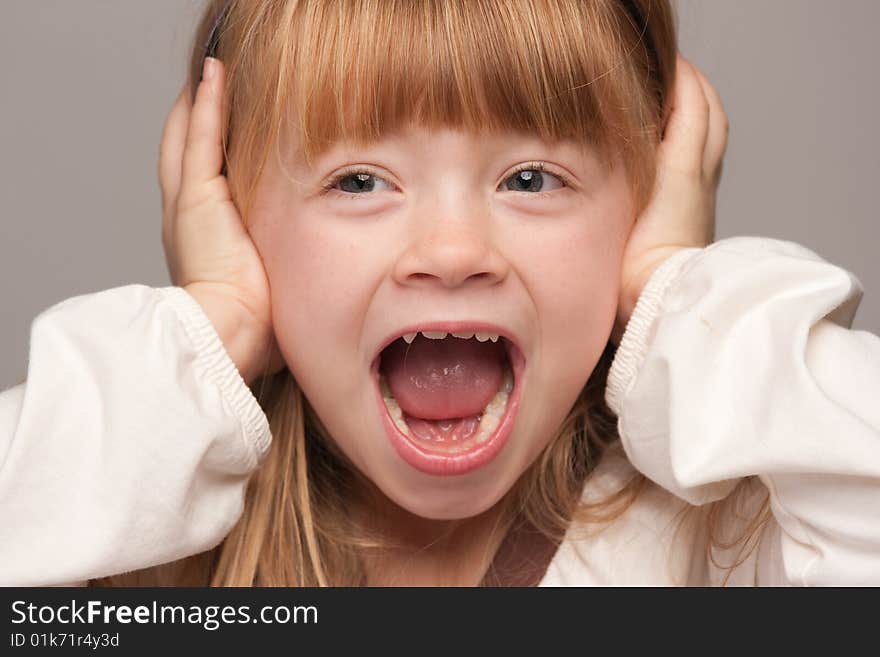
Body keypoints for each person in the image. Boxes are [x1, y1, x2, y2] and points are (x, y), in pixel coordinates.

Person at [1, 0, 878, 587]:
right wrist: (216, 325)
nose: (453, 251)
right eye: (358, 182)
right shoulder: (145, 553)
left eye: (533, 178)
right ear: (232, 209)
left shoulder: (724, 540)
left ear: (645, 204)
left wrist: (675, 295)